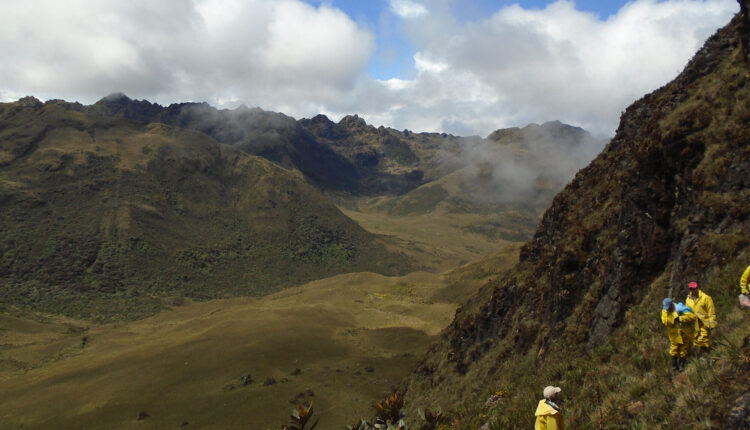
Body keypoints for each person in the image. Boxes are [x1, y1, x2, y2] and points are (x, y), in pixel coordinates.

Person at [685, 281, 716, 353]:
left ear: (698, 288)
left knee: (703, 338)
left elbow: (711, 310)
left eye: (695, 288)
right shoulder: (688, 300)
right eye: (692, 289)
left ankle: (705, 354)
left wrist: (712, 322)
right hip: (695, 324)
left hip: (705, 322)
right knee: (697, 340)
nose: (694, 290)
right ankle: (707, 353)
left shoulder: (706, 298)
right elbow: (687, 311)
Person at [661, 298, 682, 371]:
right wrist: (674, 316)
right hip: (673, 333)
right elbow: (665, 321)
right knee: (674, 348)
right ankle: (674, 365)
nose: (667, 309)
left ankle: (682, 365)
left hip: (683, 331)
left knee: (684, 348)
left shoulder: (678, 307)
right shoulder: (664, 312)